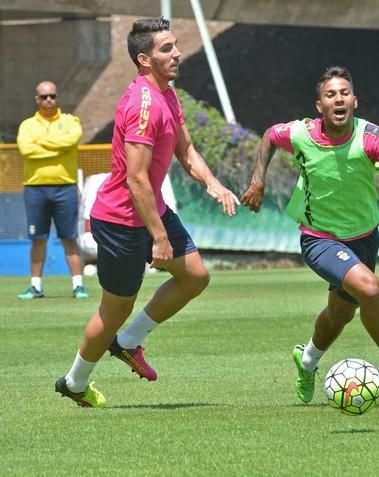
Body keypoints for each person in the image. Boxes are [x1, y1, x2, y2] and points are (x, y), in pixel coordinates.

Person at [241, 65, 379, 403]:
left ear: (355, 101)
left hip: (365, 238)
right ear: (320, 106)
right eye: (331, 95)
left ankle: (308, 360)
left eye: (344, 93)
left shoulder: (371, 137)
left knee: (342, 313)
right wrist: (258, 180)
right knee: (370, 290)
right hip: (320, 238)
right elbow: (270, 136)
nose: (338, 99)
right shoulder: (301, 134)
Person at [55, 18, 240, 408]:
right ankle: (74, 381)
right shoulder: (142, 105)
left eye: (175, 46)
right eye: (167, 48)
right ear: (144, 59)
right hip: (121, 220)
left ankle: (128, 342)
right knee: (115, 308)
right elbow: (136, 180)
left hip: (151, 210)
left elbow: (186, 150)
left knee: (195, 277)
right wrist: (158, 237)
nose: (177, 53)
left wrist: (212, 183)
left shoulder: (168, 94)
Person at [16, 81, 88, 300]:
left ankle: (78, 286)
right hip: (35, 188)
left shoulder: (70, 121)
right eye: (44, 96)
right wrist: (58, 149)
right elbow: (26, 149)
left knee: (69, 237)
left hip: (65, 187)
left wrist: (42, 143)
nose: (49, 100)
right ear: (37, 100)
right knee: (38, 238)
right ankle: (36, 286)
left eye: (52, 96)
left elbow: (72, 140)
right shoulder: (27, 125)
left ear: (57, 97)